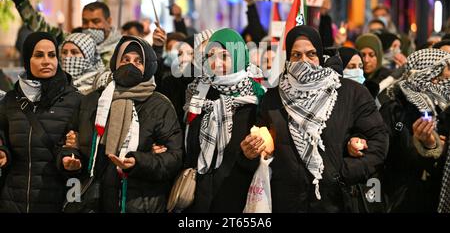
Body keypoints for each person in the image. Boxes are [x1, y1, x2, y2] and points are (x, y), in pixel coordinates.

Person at [256, 26, 389, 213]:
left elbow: (378, 140)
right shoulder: (273, 98)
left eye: (311, 54)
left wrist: (343, 173)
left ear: (320, 55)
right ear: (288, 59)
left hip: (335, 202)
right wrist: (252, 151)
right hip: (286, 202)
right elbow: (264, 146)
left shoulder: (350, 93)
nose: (304, 61)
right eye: (296, 55)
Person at [70, 36, 183, 212]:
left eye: (139, 61)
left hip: (139, 203)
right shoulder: (94, 101)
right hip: (95, 202)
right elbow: (71, 142)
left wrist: (138, 162)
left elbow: (174, 159)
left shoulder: (159, 106)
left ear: (148, 66)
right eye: (125, 59)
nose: (131, 65)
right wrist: (70, 153)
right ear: (116, 62)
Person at [183, 28, 266, 212]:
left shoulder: (257, 98)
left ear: (238, 57)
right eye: (211, 55)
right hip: (199, 199)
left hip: (238, 198)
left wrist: (248, 156)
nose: (216, 63)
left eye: (224, 56)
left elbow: (266, 153)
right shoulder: (199, 93)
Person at [0, 32, 83, 212]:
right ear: (27, 59)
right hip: (13, 201)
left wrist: (70, 158)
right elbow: (3, 139)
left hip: (56, 200)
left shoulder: (75, 101)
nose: (47, 61)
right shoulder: (10, 101)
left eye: (52, 55)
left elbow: (78, 146)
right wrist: (3, 153)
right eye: (39, 55)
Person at [379, 48, 450, 213]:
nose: (448, 76)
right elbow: (393, 156)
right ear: (428, 73)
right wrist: (428, 145)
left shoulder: (445, 107)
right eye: (447, 69)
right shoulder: (395, 108)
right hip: (405, 198)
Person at [4, 0, 121, 66]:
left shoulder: (121, 51)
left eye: (96, 21)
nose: (90, 26)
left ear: (109, 21)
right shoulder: (72, 41)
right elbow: (39, 26)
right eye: (85, 22)